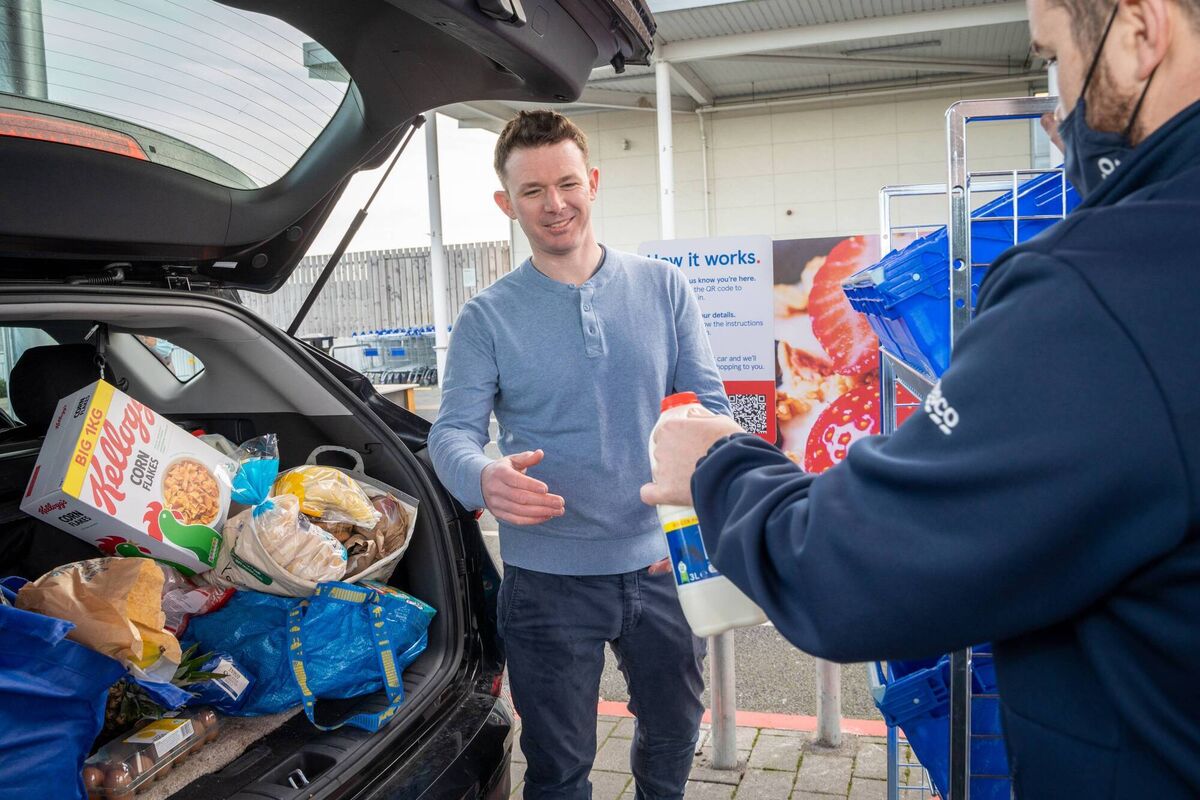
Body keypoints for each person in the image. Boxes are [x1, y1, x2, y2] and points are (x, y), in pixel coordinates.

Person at [641, 0, 1200, 796]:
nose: (1053, 114)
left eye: (1054, 61)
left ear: (1142, 32)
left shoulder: (1108, 294)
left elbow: (848, 572)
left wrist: (719, 463)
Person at [428, 110, 729, 800]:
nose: (554, 204)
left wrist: (702, 513)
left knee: (677, 732)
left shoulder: (663, 288)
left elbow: (710, 411)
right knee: (559, 769)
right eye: (532, 191)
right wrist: (483, 477)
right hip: (547, 583)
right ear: (507, 204)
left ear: (591, 182)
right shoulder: (487, 317)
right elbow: (450, 436)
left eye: (566, 183)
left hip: (662, 567)